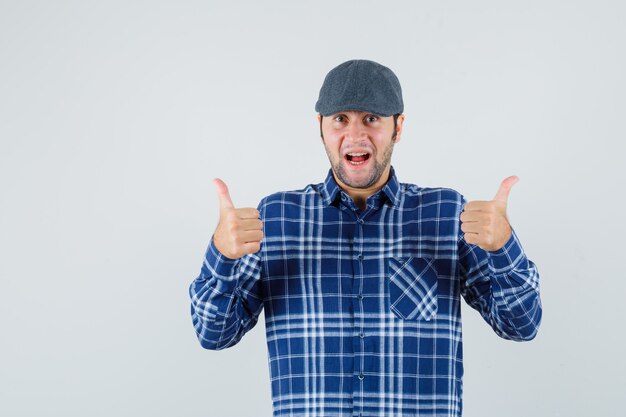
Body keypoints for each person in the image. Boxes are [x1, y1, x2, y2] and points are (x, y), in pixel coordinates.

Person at [188, 59, 542, 417]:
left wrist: (503, 248)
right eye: (340, 119)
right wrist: (222, 256)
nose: (355, 135)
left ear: (398, 127)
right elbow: (214, 334)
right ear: (320, 127)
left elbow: (521, 325)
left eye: (371, 118)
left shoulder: (447, 214)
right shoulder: (276, 218)